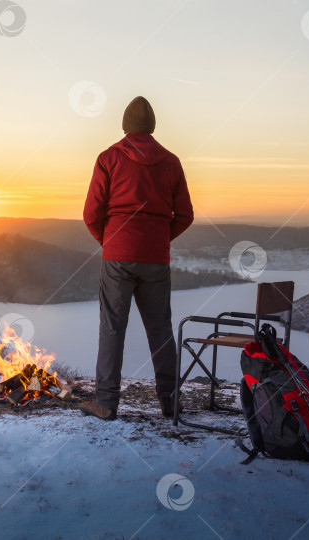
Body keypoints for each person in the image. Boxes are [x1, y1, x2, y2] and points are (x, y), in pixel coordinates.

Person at [80, 96, 194, 421]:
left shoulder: (109, 158)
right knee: (161, 329)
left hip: (117, 256)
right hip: (156, 259)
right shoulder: (171, 162)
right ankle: (170, 402)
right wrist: (157, 241)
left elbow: (91, 213)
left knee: (112, 328)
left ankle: (105, 403)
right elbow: (184, 215)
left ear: (125, 126)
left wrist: (112, 242)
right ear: (153, 125)